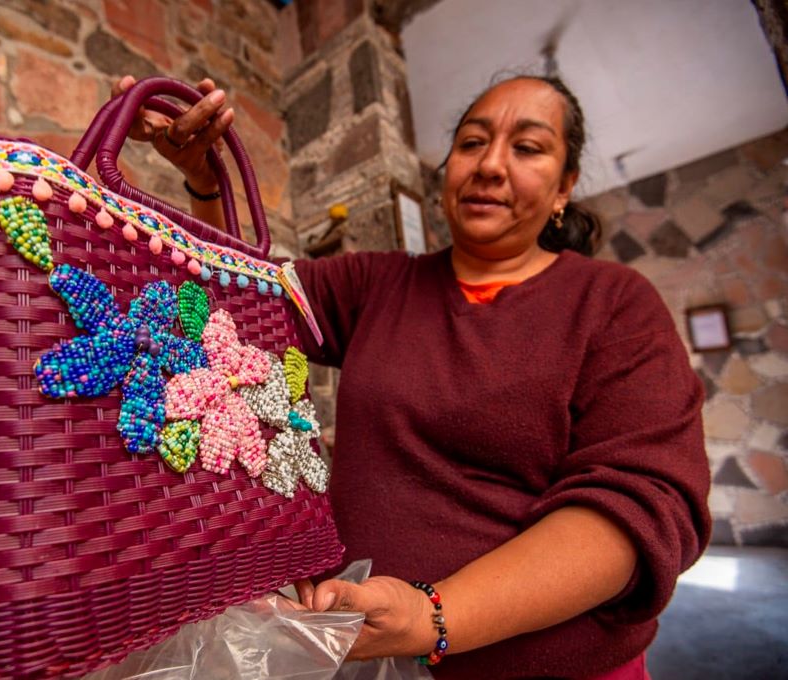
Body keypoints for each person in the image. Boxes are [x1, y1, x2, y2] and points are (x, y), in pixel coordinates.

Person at [110, 73, 711, 680]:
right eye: (473, 143)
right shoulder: (383, 284)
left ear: (565, 187)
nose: (490, 166)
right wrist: (207, 183)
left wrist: (434, 617)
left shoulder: (613, 303)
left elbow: (641, 504)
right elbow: (241, 303)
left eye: (527, 148)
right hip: (364, 659)